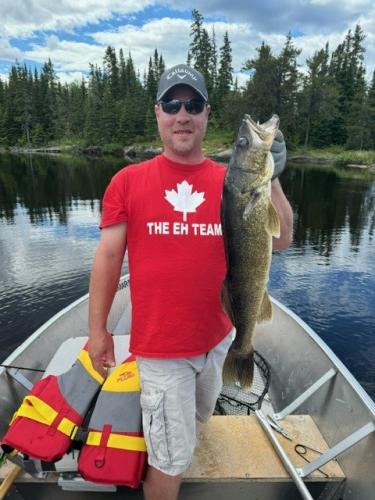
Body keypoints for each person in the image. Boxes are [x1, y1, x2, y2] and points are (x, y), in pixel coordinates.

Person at [87, 64, 293, 500]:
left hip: (219, 338)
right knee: (168, 459)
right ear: (158, 113)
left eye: (193, 105)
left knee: (196, 421)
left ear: (206, 115)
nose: (183, 114)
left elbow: (283, 239)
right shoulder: (128, 181)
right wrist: (97, 330)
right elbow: (108, 256)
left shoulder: (230, 179)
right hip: (161, 349)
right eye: (173, 104)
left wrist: (271, 179)